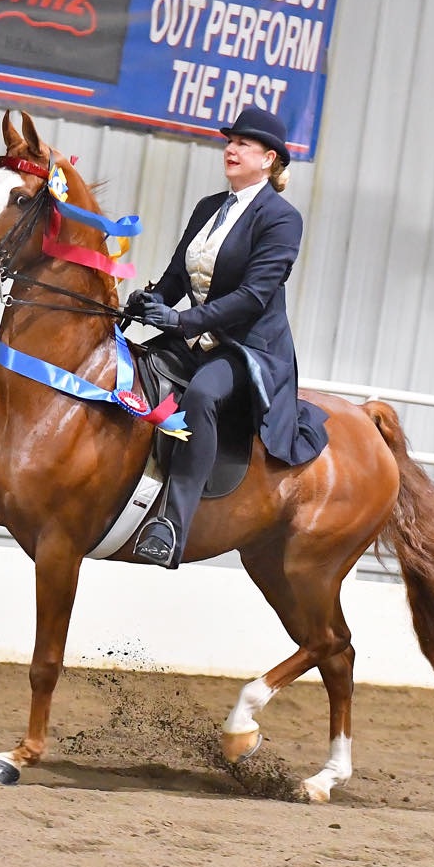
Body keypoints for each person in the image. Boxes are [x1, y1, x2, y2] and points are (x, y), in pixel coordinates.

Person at [125, 106, 328, 568]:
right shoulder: (208, 207)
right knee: (130, 370)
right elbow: (179, 277)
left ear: (269, 159)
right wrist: (147, 300)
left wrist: (178, 322)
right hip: (196, 337)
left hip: (248, 348)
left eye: (244, 144)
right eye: (230, 141)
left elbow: (253, 298)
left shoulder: (281, 219)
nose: (232, 149)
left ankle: (172, 526)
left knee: (201, 395)